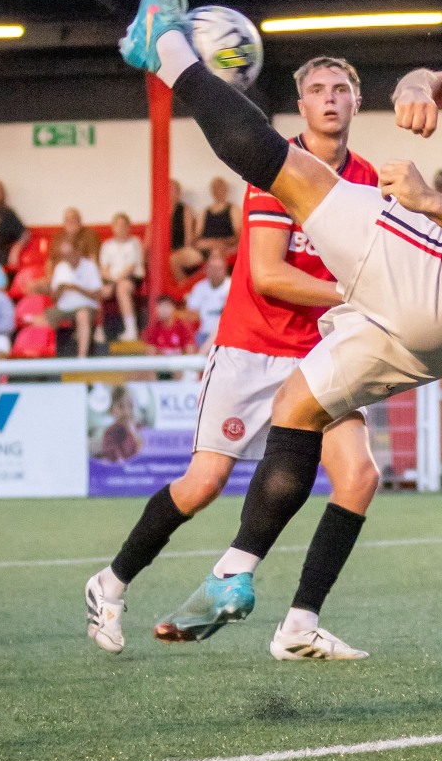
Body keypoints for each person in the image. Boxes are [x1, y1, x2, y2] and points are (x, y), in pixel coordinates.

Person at [109, 0, 442, 659]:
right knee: (297, 409)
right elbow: (440, 79)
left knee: (295, 173)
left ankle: (163, 49)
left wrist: (432, 201)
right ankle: (237, 577)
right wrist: (419, 86)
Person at [87, 51, 381, 659]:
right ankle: (109, 584)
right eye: (317, 89)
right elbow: (269, 275)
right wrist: (355, 293)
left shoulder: (368, 178)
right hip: (252, 348)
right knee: (203, 485)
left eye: (340, 88)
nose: (329, 98)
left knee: (359, 476)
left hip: (320, 351)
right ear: (300, 105)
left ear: (357, 101)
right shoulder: (276, 166)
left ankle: (299, 625)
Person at [38, 240, 102, 358]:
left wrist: (76, 288)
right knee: (41, 319)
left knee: (82, 315)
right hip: (63, 307)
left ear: (77, 251)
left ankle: (82, 358)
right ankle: (44, 356)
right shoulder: (60, 267)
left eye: (68, 254)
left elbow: (97, 295)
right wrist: (60, 289)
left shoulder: (90, 266)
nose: (66, 258)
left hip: (86, 305)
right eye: (63, 255)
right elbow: (54, 298)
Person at [99, 212, 145, 341]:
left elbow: (131, 267)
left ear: (129, 227)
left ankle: (131, 330)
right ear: (113, 227)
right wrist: (109, 279)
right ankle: (99, 329)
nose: (121, 228)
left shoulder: (134, 242)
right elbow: (104, 268)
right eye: (117, 225)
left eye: (124, 225)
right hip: (111, 279)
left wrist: (115, 280)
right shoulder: (107, 245)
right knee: (98, 291)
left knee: (122, 288)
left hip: (130, 278)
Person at [186, 252, 230, 350]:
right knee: (189, 344)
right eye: (212, 268)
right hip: (202, 334)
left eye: (218, 268)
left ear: (225, 270)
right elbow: (190, 314)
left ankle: (201, 355)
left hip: (226, 335)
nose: (215, 272)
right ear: (206, 269)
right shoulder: (199, 288)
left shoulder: (232, 286)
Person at [166, 178, 199, 280]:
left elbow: (189, 237)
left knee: (172, 259)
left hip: (182, 250)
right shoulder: (160, 211)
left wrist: (179, 251)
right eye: (168, 189)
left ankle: (182, 286)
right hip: (166, 251)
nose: (171, 193)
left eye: (173, 190)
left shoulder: (185, 210)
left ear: (178, 192)